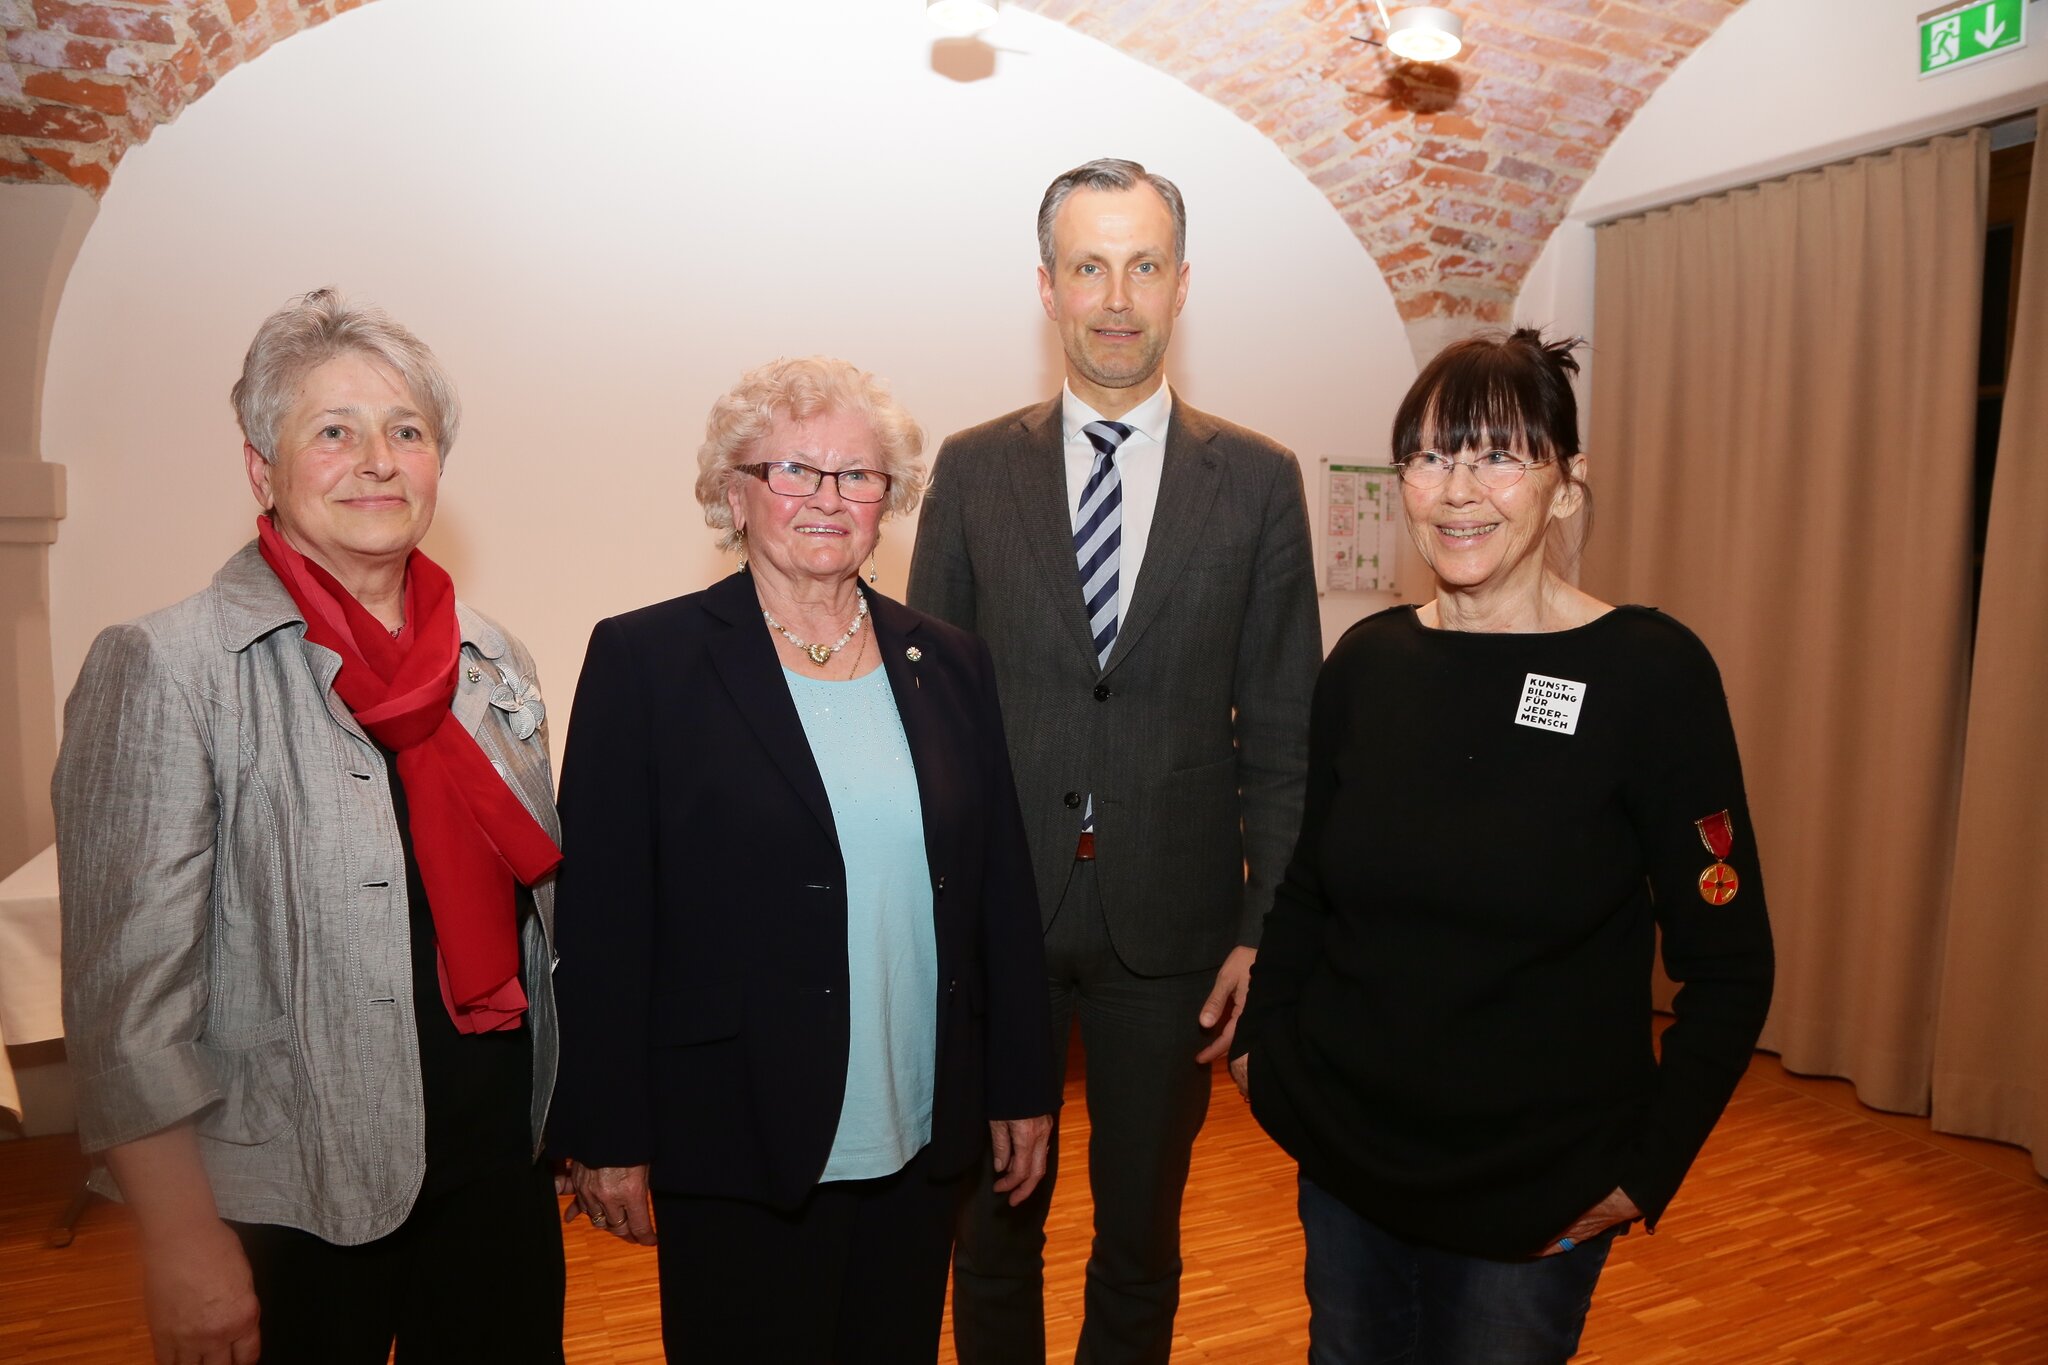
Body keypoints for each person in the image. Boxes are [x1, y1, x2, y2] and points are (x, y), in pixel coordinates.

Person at [1230, 328, 1776, 1363]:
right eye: (1430, 455)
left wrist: (1642, 1171)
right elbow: (1307, 885)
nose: (1455, 488)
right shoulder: (1368, 662)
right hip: (1346, 1165)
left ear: (1563, 488)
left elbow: (1729, 965)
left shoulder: (1649, 675)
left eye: (1497, 454)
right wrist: (1263, 1051)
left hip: (1534, 1196)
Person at [53, 288, 567, 1365]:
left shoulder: (494, 659)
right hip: (284, 1207)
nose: (377, 461)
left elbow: (533, 925)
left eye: (407, 432)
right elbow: (125, 1008)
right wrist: (183, 1240)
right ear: (261, 466)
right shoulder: (170, 668)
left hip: (489, 1180)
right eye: (332, 432)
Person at [546, 355, 1058, 1364]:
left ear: (888, 500)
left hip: (915, 1129)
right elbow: (601, 920)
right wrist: (604, 1130)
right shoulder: (645, 663)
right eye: (794, 470)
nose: (829, 498)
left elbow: (998, 888)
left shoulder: (949, 660)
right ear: (731, 494)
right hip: (734, 1133)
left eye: (858, 476)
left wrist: (1019, 1082)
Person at [908, 157, 1321, 1364]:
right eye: (1088, 266)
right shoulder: (973, 469)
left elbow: (1285, 730)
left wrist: (1261, 926)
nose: (1116, 297)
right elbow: (926, 711)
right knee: (987, 1232)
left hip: (1177, 930)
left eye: (1142, 265)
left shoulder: (1253, 480)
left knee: (1140, 1240)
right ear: (1045, 286)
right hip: (1000, 917)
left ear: (1181, 284)